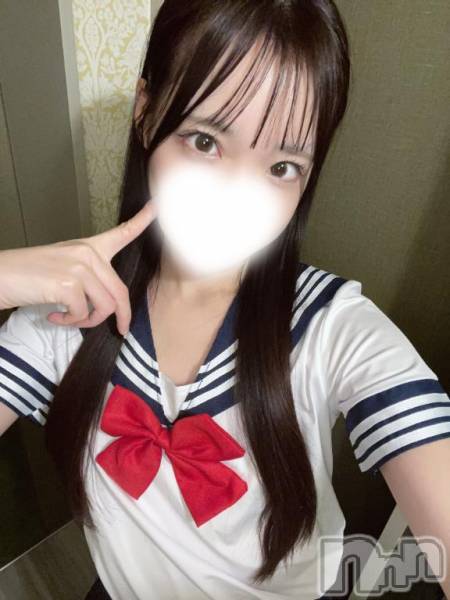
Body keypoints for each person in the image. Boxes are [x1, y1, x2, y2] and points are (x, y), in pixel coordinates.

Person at [0, 1, 449, 599]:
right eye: (206, 141)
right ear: (145, 111)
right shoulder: (66, 316)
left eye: (282, 166)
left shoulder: (333, 329)